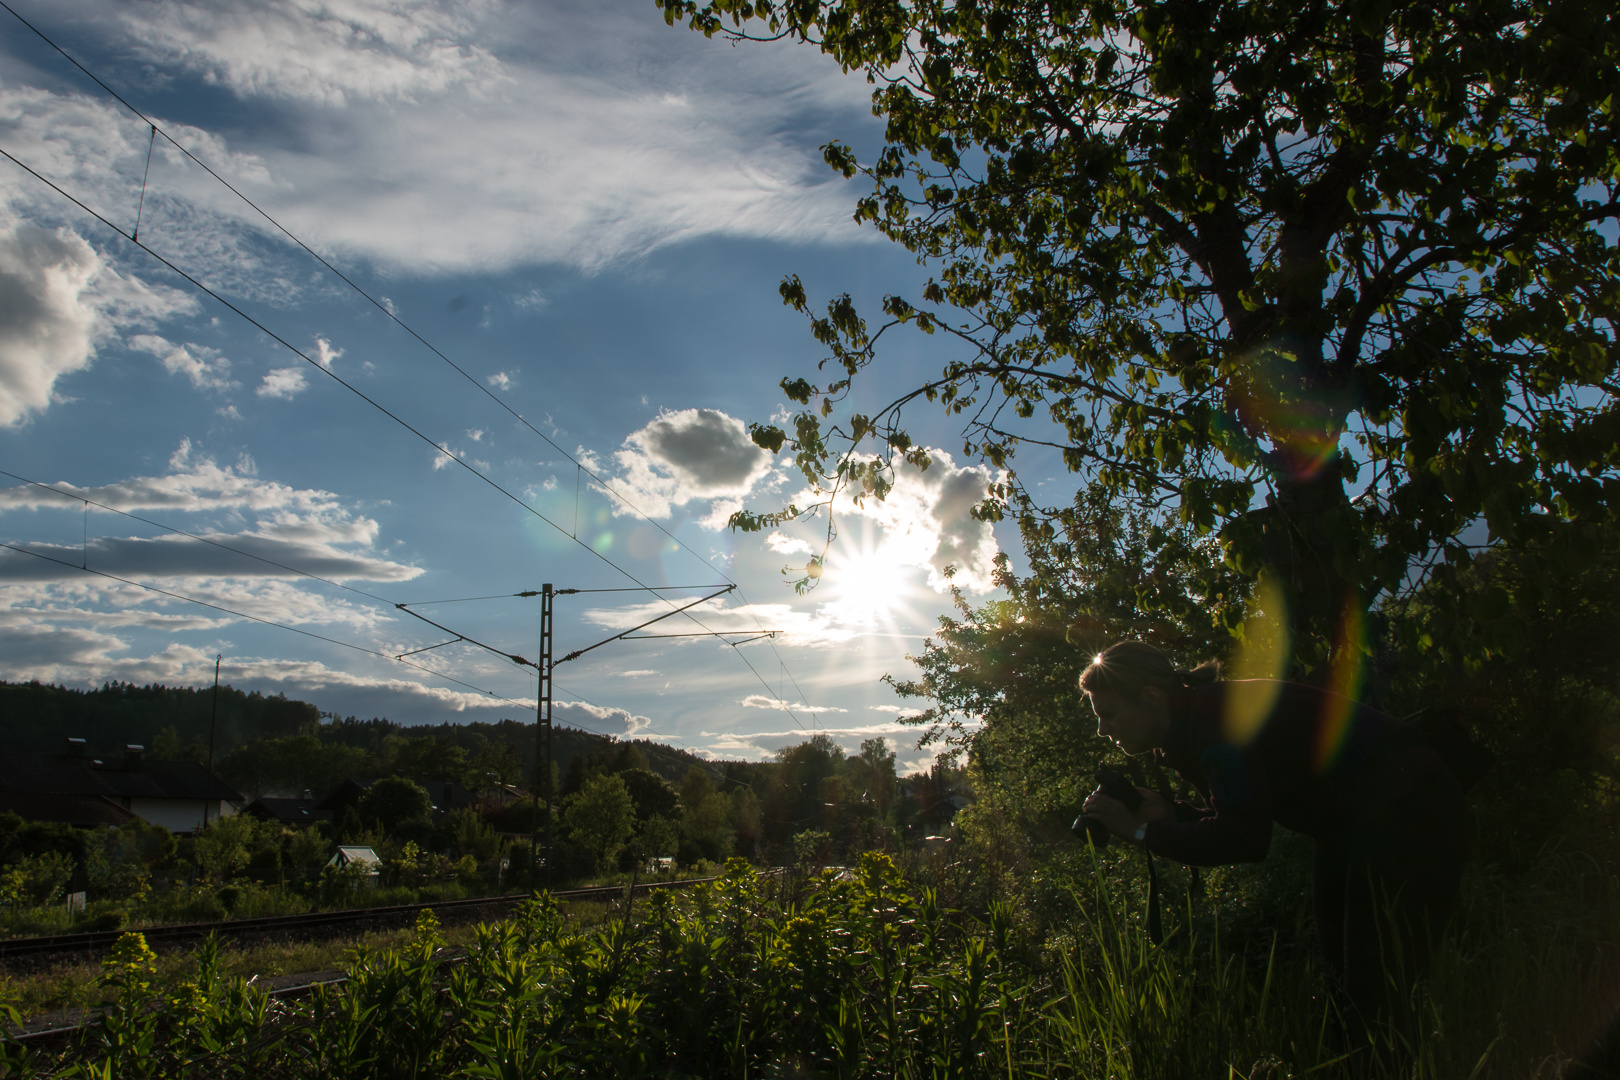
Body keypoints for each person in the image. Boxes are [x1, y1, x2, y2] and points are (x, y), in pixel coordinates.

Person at [1078, 640, 1470, 1025]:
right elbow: (1238, 815)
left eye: (1108, 713)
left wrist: (1145, 834)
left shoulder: (1218, 723)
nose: (1101, 729)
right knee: (1341, 981)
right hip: (1351, 826)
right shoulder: (1193, 720)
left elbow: (1244, 838)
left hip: (1411, 809)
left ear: (1149, 696)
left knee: (1377, 991)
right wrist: (1170, 814)